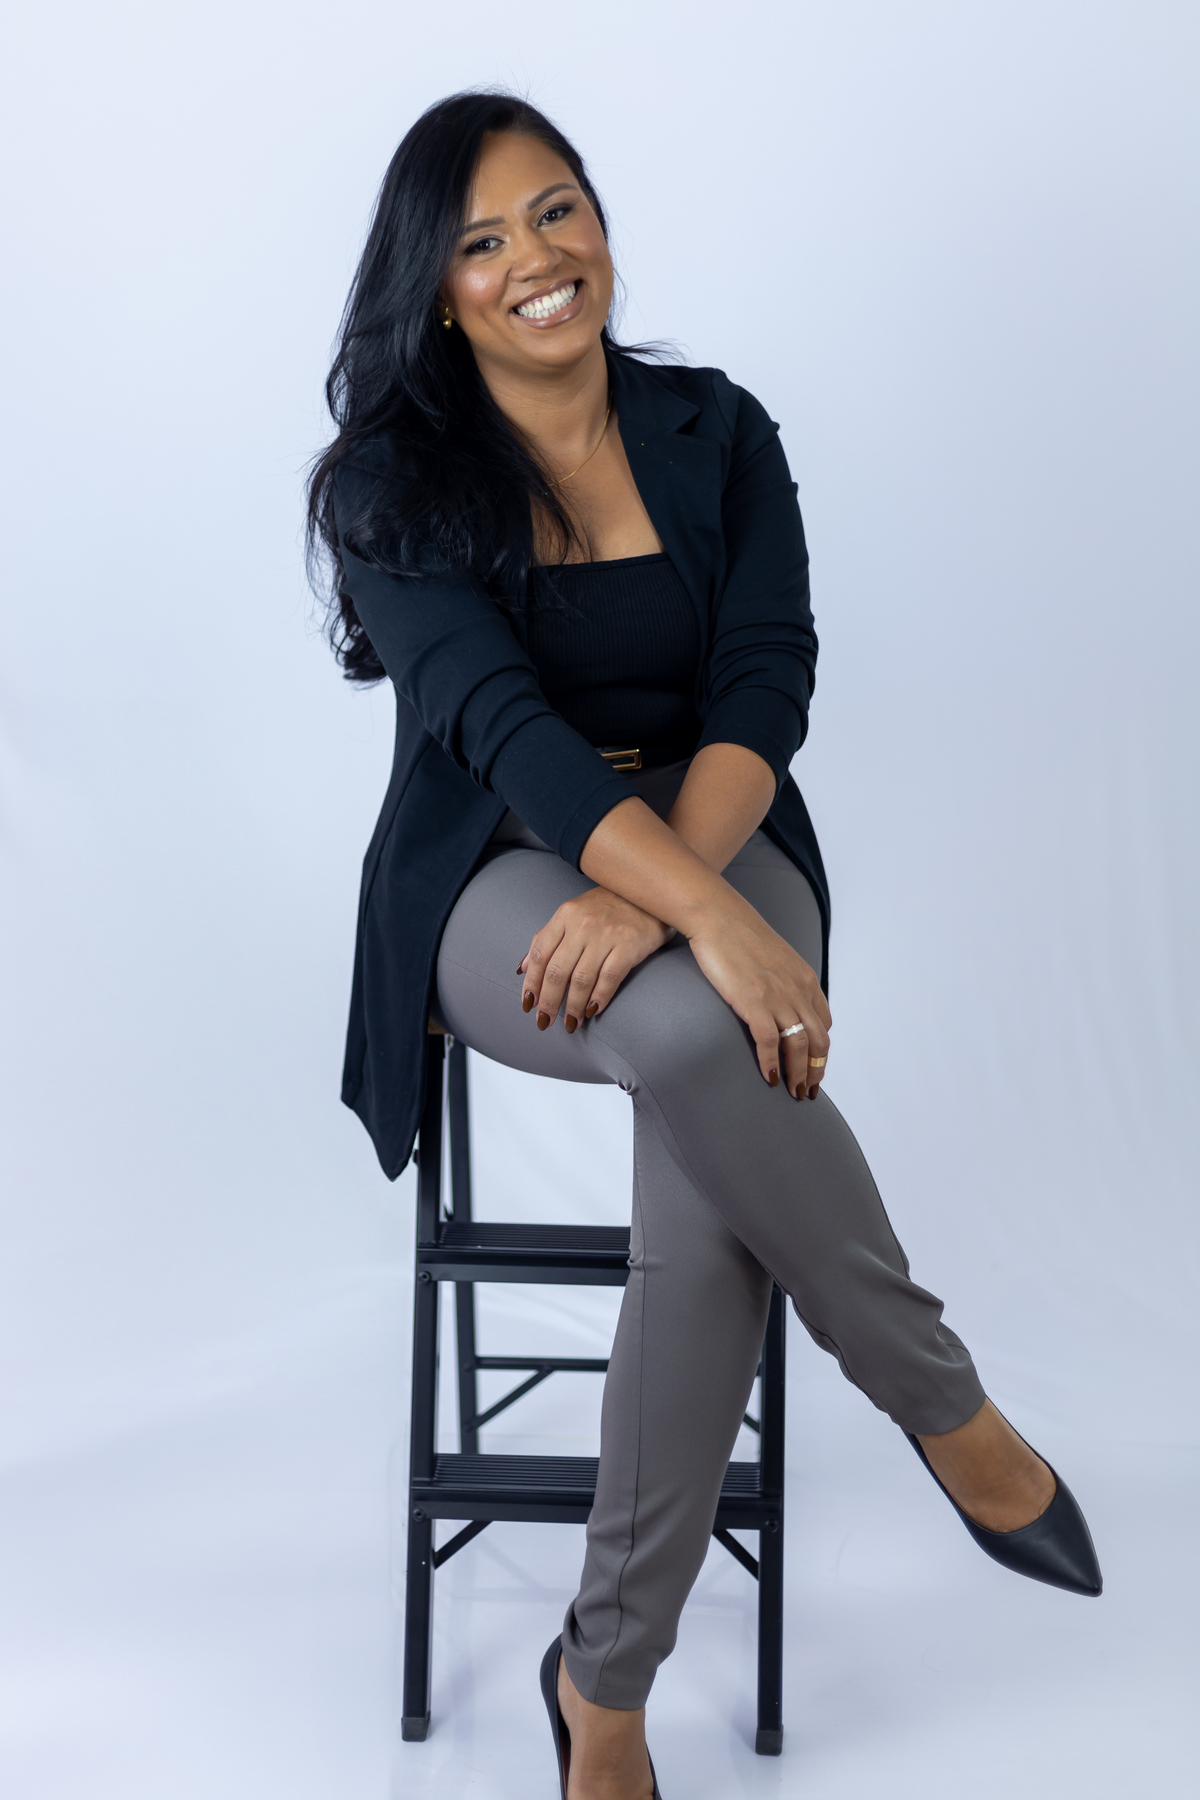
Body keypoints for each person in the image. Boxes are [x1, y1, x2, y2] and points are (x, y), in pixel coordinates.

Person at [307, 90, 1101, 1800]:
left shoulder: (716, 428)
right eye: (482, 240)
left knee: (703, 1102)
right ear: (435, 289)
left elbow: (765, 680)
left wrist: (679, 888)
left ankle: (601, 1687)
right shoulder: (391, 481)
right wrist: (708, 922)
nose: (537, 257)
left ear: (601, 218)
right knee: (694, 1025)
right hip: (495, 865)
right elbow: (501, 730)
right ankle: (944, 1404)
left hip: (722, 821)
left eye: (558, 209)